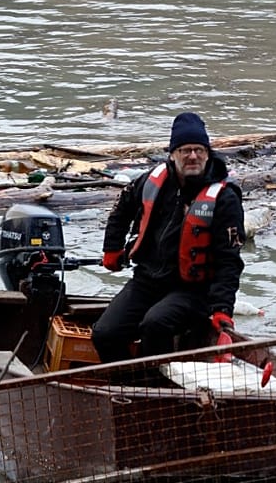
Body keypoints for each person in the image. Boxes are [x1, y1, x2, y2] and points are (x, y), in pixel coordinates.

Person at [92, 112, 245, 362]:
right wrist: (112, 249)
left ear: (208, 152)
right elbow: (122, 208)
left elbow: (229, 261)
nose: (193, 156)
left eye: (198, 149)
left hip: (194, 291)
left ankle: (155, 388)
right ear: (172, 154)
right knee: (104, 334)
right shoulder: (153, 180)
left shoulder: (224, 199)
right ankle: (126, 384)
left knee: (155, 324)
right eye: (185, 150)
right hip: (148, 280)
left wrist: (222, 310)